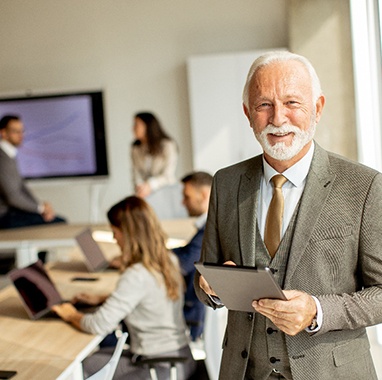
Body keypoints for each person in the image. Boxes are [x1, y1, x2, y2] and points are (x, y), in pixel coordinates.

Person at [194, 50, 382, 380]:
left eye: (292, 103)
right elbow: (205, 278)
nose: (278, 118)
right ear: (248, 114)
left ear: (318, 108)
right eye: (264, 104)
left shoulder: (363, 186)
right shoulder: (225, 182)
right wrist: (209, 287)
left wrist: (318, 311)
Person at [53, 195, 196, 380]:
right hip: (179, 357)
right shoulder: (168, 260)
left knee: (81, 372)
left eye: (115, 231)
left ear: (128, 233)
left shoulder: (136, 275)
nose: (114, 238)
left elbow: (98, 324)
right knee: (88, 365)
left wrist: (70, 314)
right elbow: (150, 295)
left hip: (159, 367)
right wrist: (104, 298)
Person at [0, 115, 66, 229]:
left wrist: (40, 208)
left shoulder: (10, 154)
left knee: (56, 220)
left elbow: (21, 187)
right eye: (15, 131)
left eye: (22, 131)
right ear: (3, 133)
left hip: (12, 212)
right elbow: (12, 197)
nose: (21, 135)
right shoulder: (2, 158)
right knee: (60, 223)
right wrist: (40, 208)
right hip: (5, 216)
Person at [173, 171, 213, 341]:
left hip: (193, 317)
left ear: (204, 195)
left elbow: (185, 262)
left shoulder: (211, 228)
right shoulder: (207, 226)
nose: (183, 203)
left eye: (186, 197)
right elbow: (186, 251)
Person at [131, 112, 178, 198]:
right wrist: (140, 187)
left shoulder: (168, 146)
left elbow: (168, 175)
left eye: (136, 125)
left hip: (166, 192)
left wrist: (150, 185)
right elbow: (136, 173)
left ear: (147, 126)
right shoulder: (135, 148)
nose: (133, 128)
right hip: (145, 195)